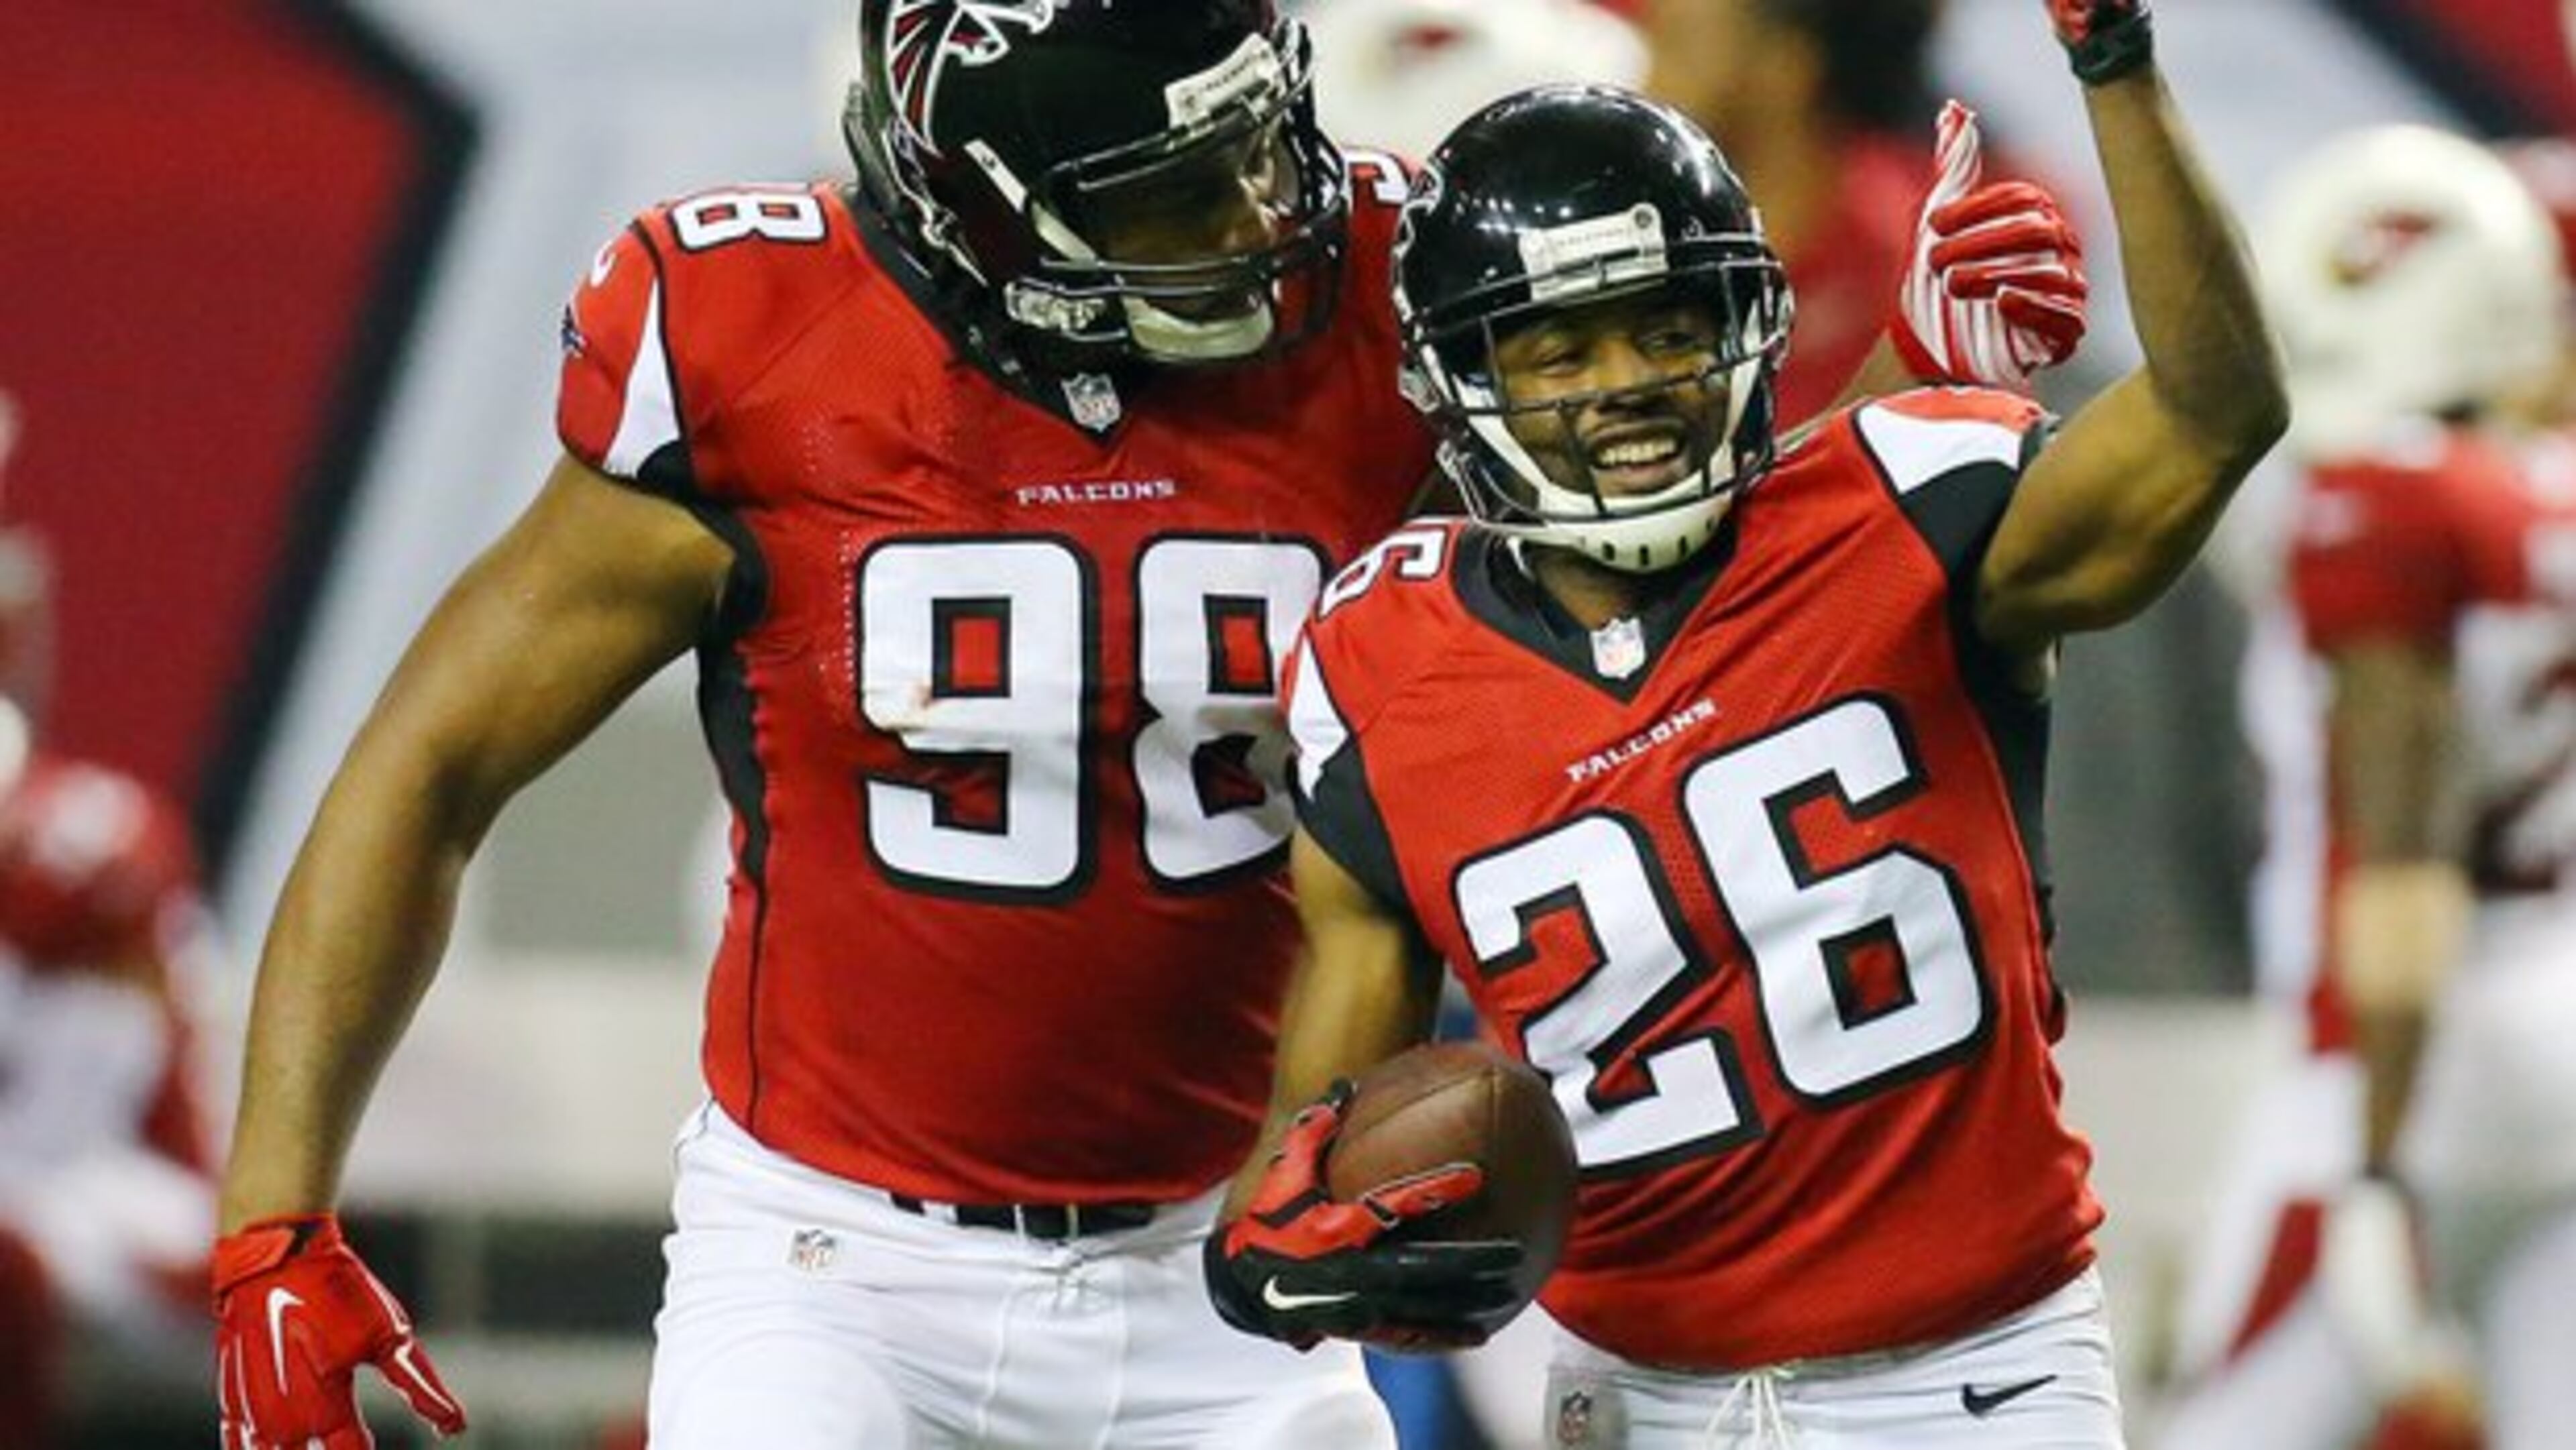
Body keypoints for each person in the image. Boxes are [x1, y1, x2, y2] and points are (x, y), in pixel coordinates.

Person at [206, 3, 2088, 1446]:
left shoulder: (1378, 300)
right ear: (982, 200)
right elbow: (427, 768)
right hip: (836, 1261)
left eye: (1266, 142)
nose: (1263, 213)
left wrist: (1912, 386)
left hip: (1239, 1263)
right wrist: (275, 1224)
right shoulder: (760, 346)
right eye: (1180, 192)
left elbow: (1712, 591)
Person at [1206, 3, 2286, 1446]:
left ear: (1746, 321)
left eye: (1667, 328)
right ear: (1462, 378)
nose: (1629, 388)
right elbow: (1320, 1138)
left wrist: (2118, 71)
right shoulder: (1372, 656)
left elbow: (2217, 412)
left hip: (1976, 1380)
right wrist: (1283, 1244)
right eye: (1561, 351)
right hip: (1621, 1392)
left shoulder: (1909, 498)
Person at [2163, 125, 2576, 1450]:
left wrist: (2379, 1160)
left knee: (2226, 1423)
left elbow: (2403, 851)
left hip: (2408, 1063)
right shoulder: (2539, 506)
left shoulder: (2390, 499)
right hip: (2562, 1037)